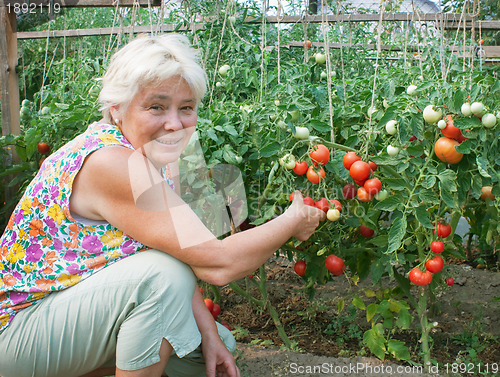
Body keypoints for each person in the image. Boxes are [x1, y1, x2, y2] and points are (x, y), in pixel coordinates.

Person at [0, 34, 325, 377]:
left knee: (210, 353)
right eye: (156, 106)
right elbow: (218, 265)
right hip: (15, 331)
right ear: (117, 108)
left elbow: (180, 253)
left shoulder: (151, 157)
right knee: (160, 281)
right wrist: (291, 221)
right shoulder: (111, 163)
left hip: (63, 313)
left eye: (186, 107)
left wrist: (209, 332)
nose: (175, 123)